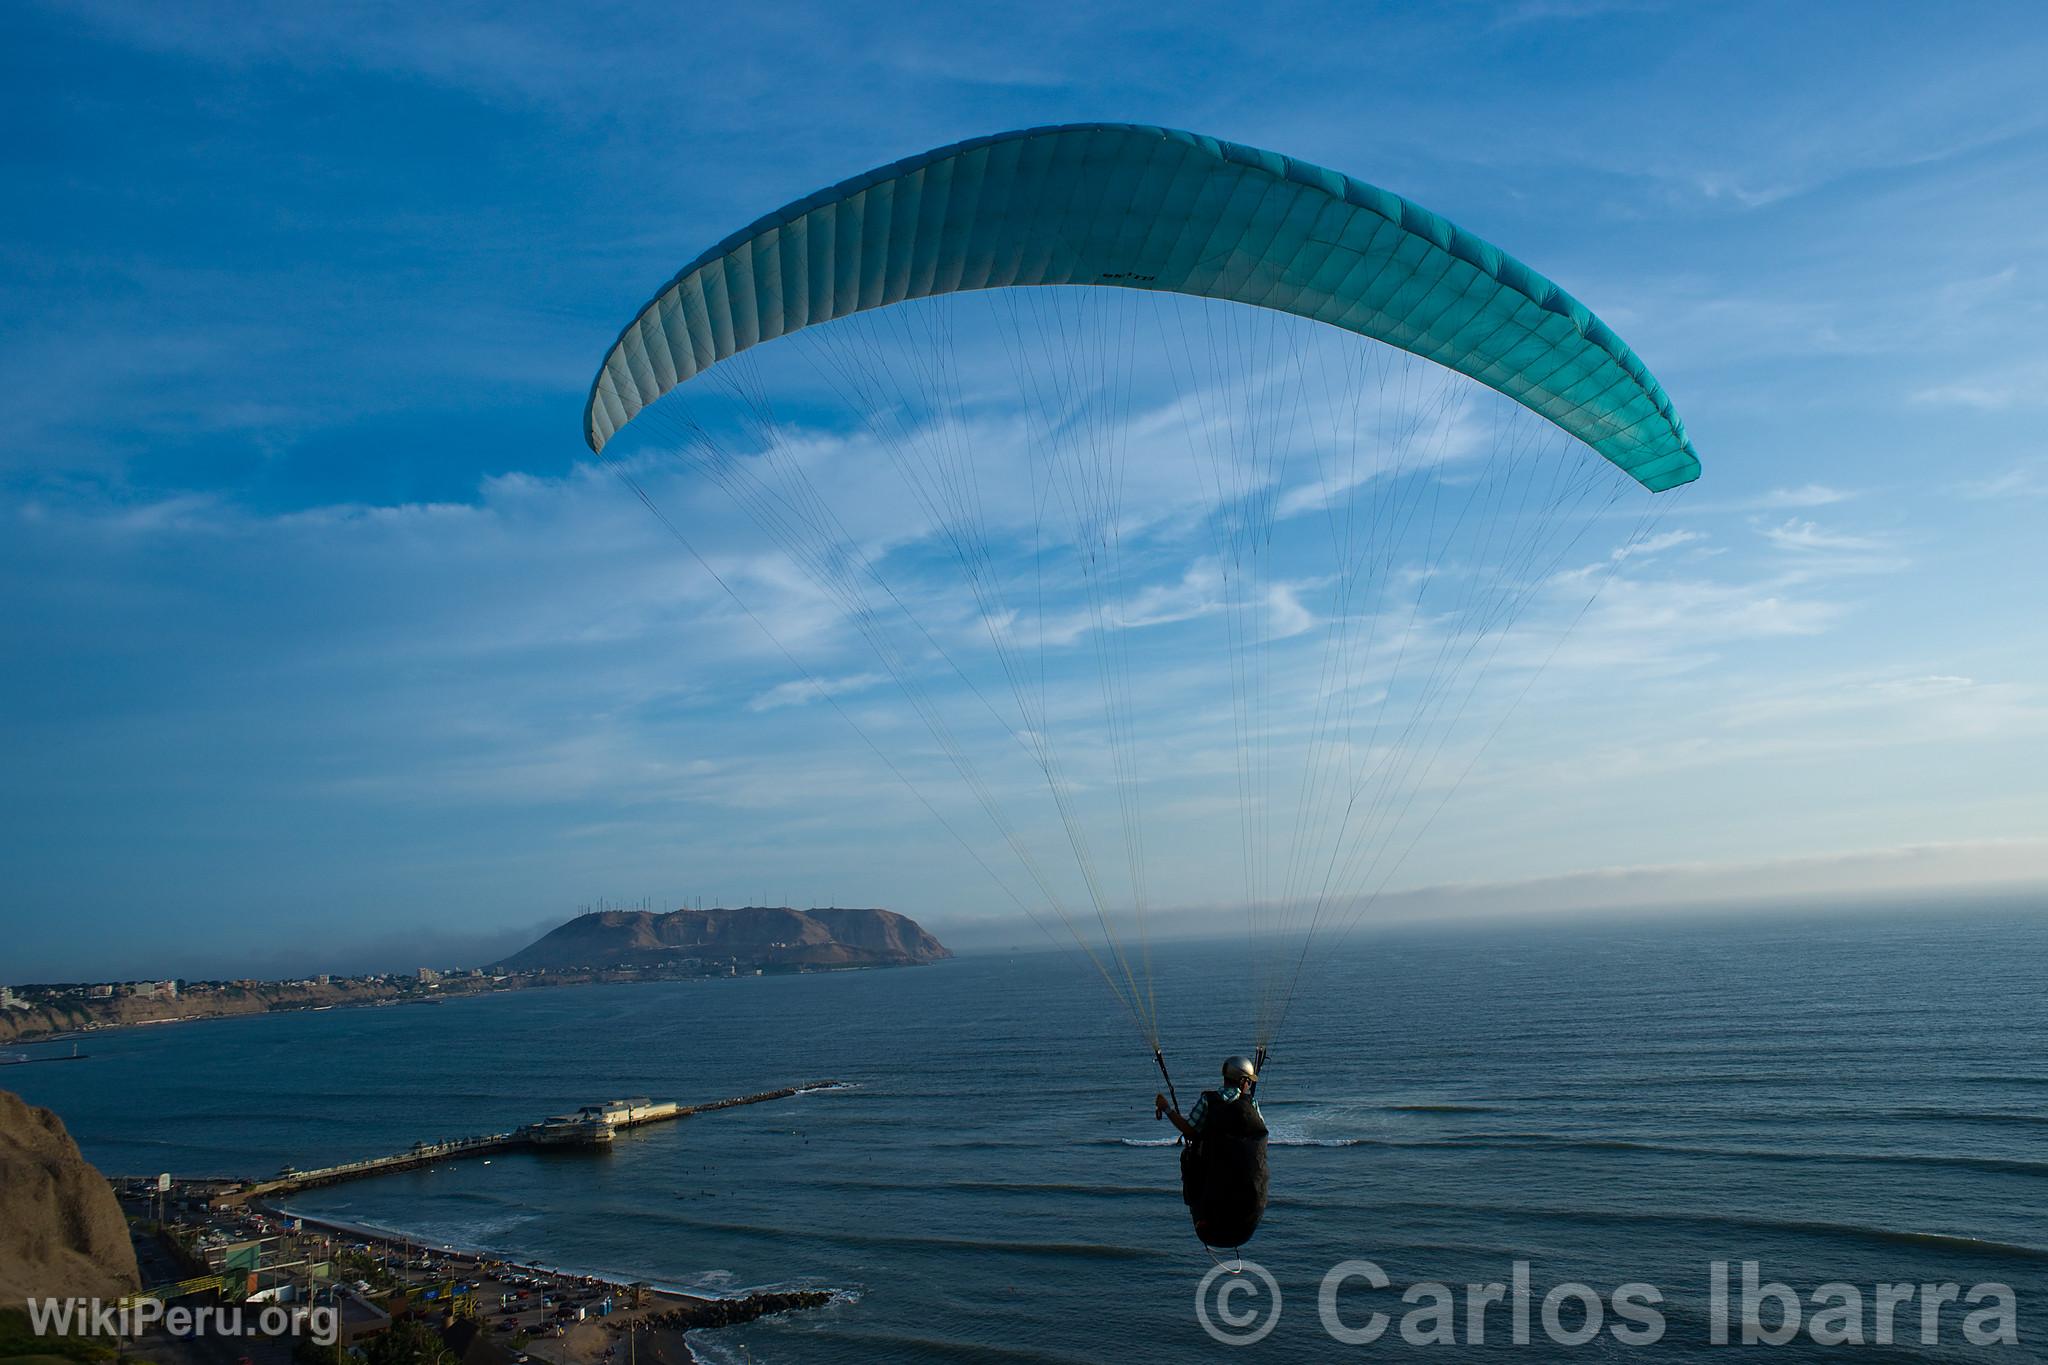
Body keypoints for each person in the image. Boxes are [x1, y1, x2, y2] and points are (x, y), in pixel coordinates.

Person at [1155, 1056, 1270, 1248]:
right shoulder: (1252, 1105)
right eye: (1248, 1080)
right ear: (1242, 1081)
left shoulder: (1209, 1101)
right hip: (1246, 1211)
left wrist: (1166, 1109)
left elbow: (1189, 1129)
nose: (1249, 1084)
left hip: (1212, 1198)